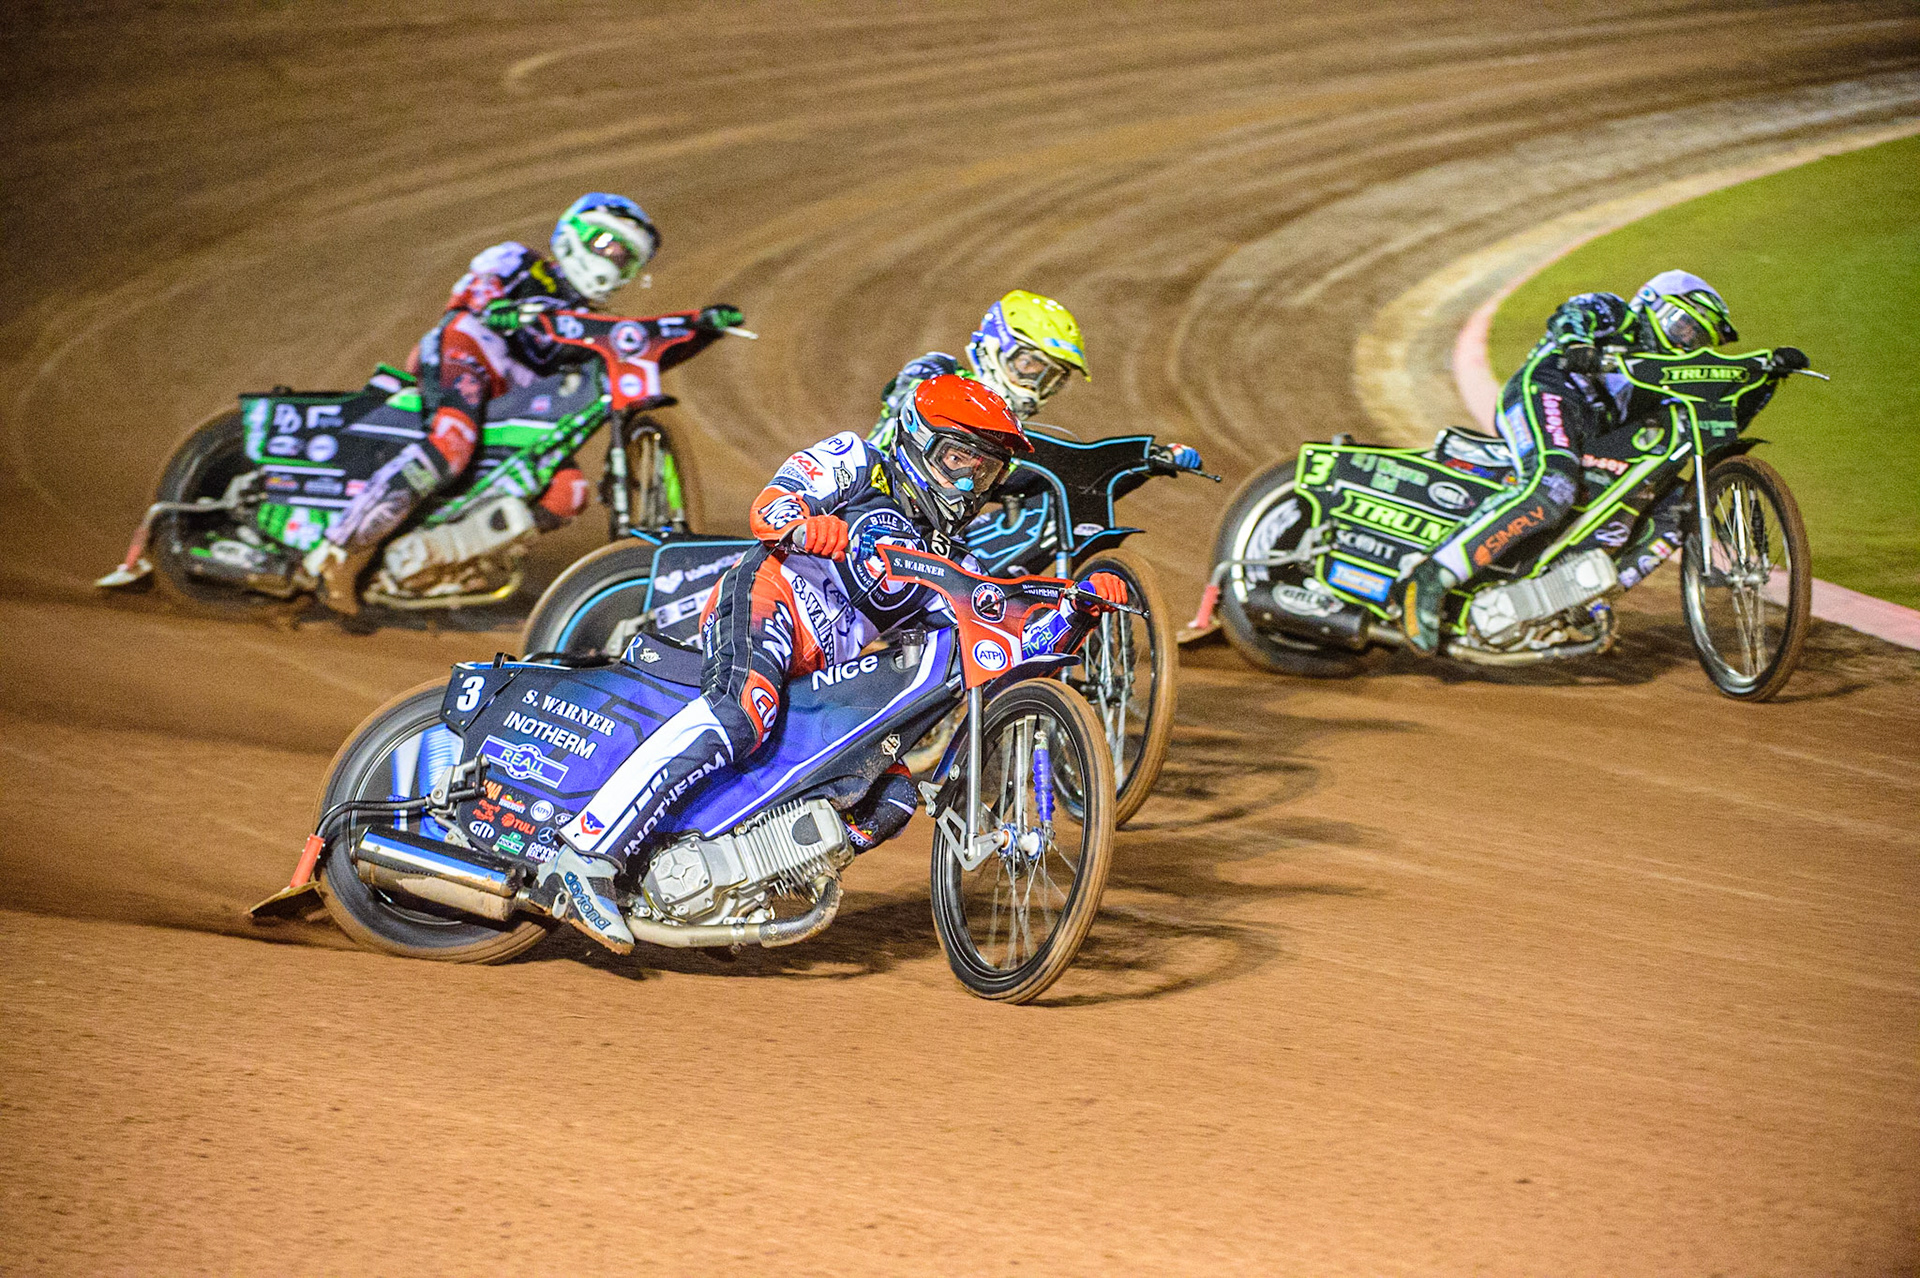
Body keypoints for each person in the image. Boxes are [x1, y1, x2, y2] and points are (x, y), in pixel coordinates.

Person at [537, 374, 1131, 952]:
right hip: (769, 597)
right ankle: (586, 851)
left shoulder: (952, 556)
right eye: (959, 459)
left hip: (823, 664)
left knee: (891, 792)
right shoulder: (858, 459)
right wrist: (803, 524)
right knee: (741, 714)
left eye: (986, 471)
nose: (970, 484)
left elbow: (998, 642)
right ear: (921, 441)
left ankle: (735, 876)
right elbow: (769, 505)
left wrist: (1078, 610)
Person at [305, 192, 741, 613]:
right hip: (470, 350)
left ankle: (438, 555)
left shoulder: (591, 323)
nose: (613, 262)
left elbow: (636, 348)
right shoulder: (519, 261)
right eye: (608, 245)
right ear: (574, 235)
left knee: (565, 492)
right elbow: (480, 287)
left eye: (626, 257)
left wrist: (701, 328)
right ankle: (341, 551)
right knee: (451, 443)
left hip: (517, 399)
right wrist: (498, 307)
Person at [1391, 269, 1743, 653]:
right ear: (1652, 305)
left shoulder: (1665, 380)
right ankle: (1429, 576)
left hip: (1594, 432)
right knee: (1553, 485)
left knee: (1676, 509)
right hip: (1548, 391)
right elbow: (1572, 314)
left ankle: (1573, 603)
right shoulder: (1616, 313)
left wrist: (1767, 373)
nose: (1686, 344)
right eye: (1683, 328)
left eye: (1697, 340)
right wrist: (1578, 342)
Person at [870, 289, 1202, 522]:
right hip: (875, 502)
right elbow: (897, 435)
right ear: (997, 348)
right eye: (1031, 367)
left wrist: (1135, 465)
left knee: (1060, 493)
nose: (1036, 386)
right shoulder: (937, 373)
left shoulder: (1014, 434)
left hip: (946, 529)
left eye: (1051, 378)